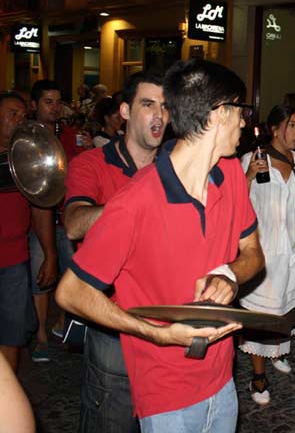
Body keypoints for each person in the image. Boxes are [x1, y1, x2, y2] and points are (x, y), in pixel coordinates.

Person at [56, 59, 265, 431]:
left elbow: (252, 253)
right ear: (218, 115)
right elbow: (71, 293)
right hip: (165, 390)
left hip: (221, 376)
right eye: (240, 111)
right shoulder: (135, 201)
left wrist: (229, 275)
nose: (245, 121)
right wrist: (158, 333)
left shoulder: (230, 172)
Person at [63, 69, 169, 432]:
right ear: (124, 111)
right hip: (112, 321)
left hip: (168, 320)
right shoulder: (91, 163)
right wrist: (136, 208)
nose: (159, 115)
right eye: (148, 104)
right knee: (110, 422)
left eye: (165, 106)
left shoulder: (175, 167)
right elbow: (75, 222)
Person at [240, 105, 295, 403]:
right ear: (275, 129)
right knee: (263, 313)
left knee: (287, 304)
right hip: (263, 249)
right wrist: (248, 175)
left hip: (291, 247)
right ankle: (258, 377)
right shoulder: (253, 159)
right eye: (293, 125)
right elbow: (231, 199)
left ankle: (277, 352)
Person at [28, 79, 87, 362]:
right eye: (47, 102)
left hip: (65, 217)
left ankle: (62, 324)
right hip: (38, 217)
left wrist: (88, 150)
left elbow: (80, 172)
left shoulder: (71, 134)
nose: (54, 108)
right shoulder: (25, 136)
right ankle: (40, 335)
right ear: (35, 104)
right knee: (42, 275)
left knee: (70, 273)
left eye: (57, 101)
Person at [0, 92, 56, 373]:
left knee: (11, 335)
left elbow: (40, 208)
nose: (19, 120)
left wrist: (49, 254)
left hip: (13, 259)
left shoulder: (28, 160)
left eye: (23, 115)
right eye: (12, 114)